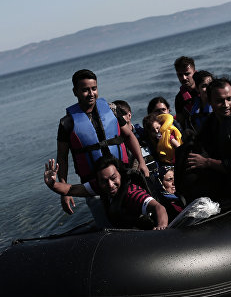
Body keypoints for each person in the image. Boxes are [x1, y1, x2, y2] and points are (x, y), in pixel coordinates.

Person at [56, 69, 149, 226]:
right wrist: (64, 190)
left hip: (121, 177)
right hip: (94, 185)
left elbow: (129, 136)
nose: (91, 93)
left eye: (94, 88)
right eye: (85, 90)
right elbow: (62, 157)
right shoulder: (67, 123)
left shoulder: (112, 109)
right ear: (75, 92)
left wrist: (141, 162)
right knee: (106, 225)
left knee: (137, 215)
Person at [44, 156, 168, 230]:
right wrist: (52, 184)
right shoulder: (101, 186)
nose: (110, 184)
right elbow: (71, 190)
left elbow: (158, 207)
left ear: (120, 174)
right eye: (104, 181)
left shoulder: (132, 193)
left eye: (113, 178)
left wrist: (161, 227)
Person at [173, 56, 199, 129]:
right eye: (180, 75)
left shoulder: (205, 89)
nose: (184, 78)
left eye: (187, 74)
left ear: (195, 73)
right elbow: (181, 123)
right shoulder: (179, 98)